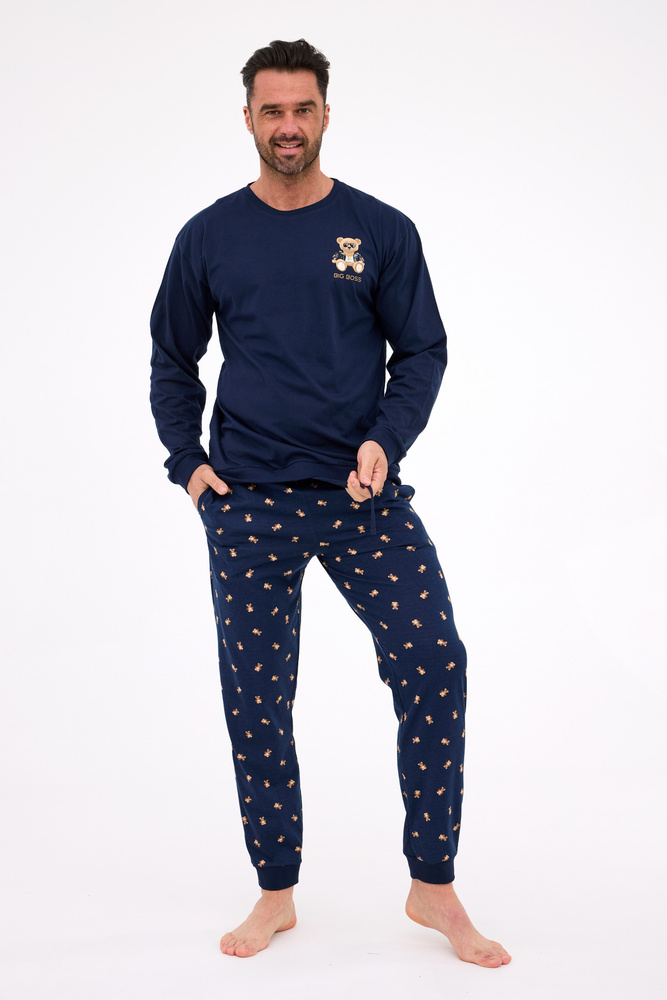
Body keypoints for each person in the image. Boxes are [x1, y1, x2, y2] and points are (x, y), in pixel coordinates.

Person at [150, 38, 510, 968]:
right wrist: (188, 466)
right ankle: (276, 892)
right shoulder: (208, 236)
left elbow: (421, 350)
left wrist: (386, 440)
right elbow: (172, 358)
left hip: (361, 499)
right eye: (271, 110)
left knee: (434, 659)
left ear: (323, 114)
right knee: (257, 697)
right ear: (247, 118)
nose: (287, 126)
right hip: (248, 505)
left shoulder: (379, 229)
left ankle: (432, 885)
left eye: (301, 109)